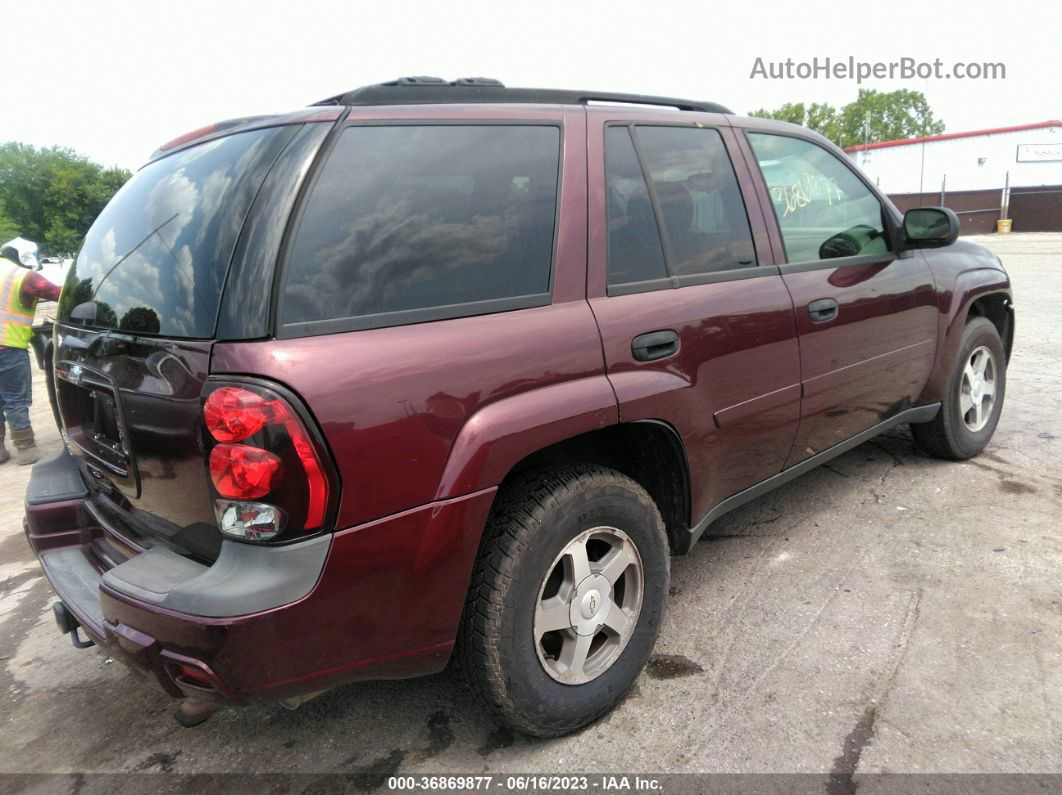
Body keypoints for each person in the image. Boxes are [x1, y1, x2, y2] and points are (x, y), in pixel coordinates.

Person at [0, 237, 62, 465]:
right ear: (27, 256)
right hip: (7, 346)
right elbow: (57, 293)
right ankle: (26, 449)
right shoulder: (22, 275)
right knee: (15, 399)